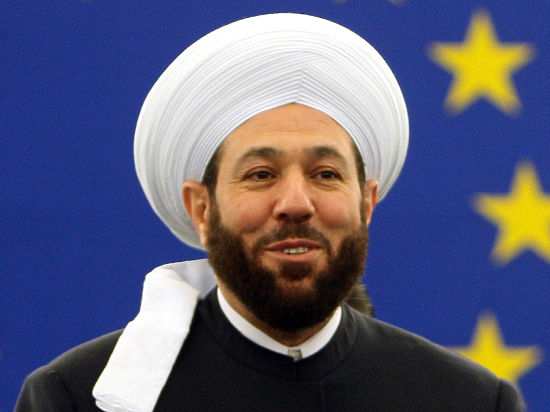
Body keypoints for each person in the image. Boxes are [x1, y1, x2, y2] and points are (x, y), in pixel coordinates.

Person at [15, 13, 524, 412]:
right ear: (201, 208)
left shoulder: (468, 401)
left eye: (326, 174)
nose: (296, 203)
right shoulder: (79, 398)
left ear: (366, 203)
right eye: (261, 174)